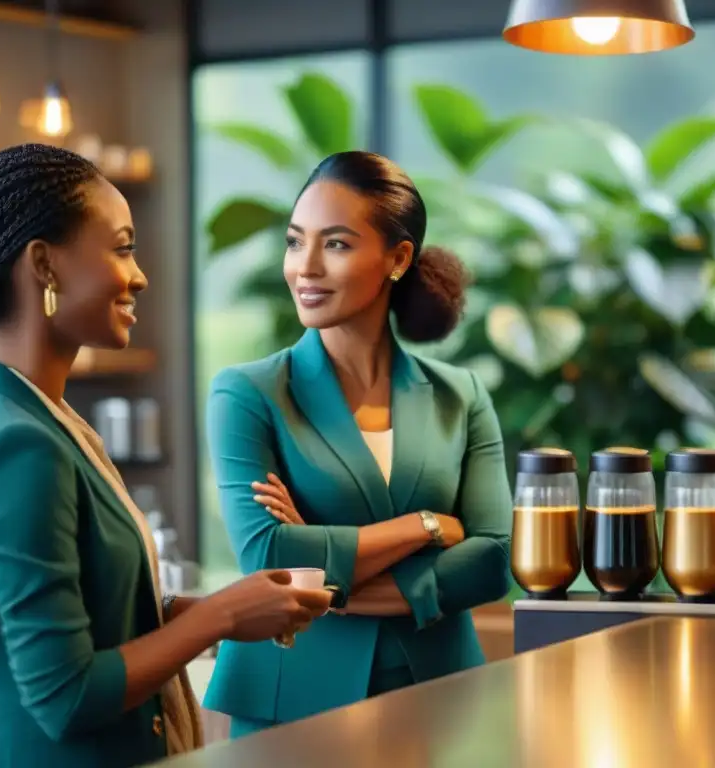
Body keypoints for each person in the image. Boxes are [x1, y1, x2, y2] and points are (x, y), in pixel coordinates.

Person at [0, 144, 334, 767]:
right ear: (44, 265)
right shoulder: (22, 443)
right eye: (121, 248)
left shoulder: (28, 416)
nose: (139, 275)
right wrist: (218, 617)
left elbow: (71, 617)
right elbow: (65, 695)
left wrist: (207, 608)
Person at [203, 150, 513, 737]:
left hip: (438, 694)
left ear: (398, 259)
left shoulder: (461, 394)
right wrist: (425, 526)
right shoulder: (247, 393)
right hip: (289, 703)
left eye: (337, 244)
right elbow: (267, 557)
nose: (305, 267)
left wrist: (328, 582)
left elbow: (493, 559)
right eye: (296, 242)